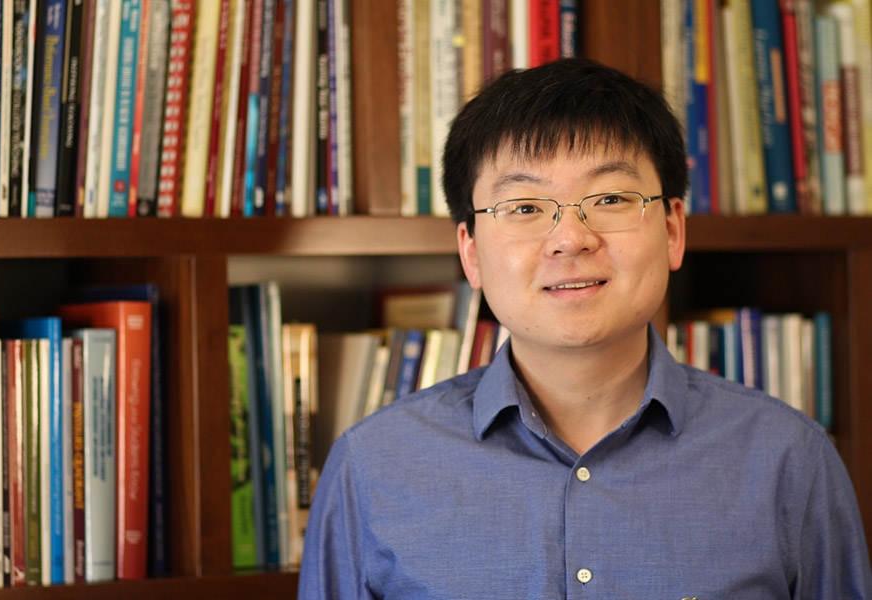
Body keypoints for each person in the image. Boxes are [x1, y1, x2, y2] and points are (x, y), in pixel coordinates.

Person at [298, 57, 872, 598]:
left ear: (673, 229)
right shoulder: (370, 469)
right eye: (523, 207)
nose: (571, 238)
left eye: (611, 198)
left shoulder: (789, 460)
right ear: (470, 253)